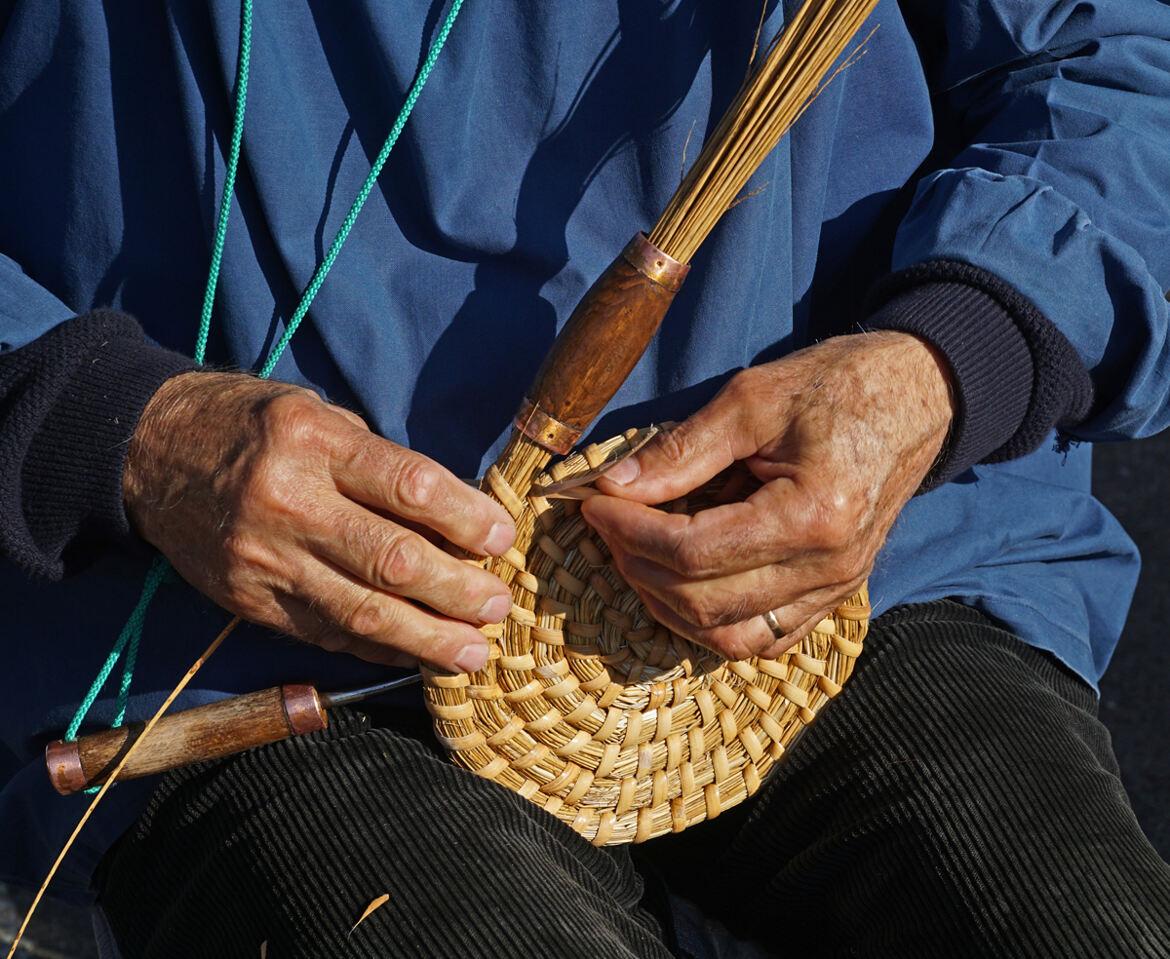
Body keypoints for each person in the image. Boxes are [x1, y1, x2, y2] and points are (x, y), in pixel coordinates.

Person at [2, 1, 1169, 956]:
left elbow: (1116, 49)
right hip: (230, 635)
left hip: (854, 566)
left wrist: (941, 363)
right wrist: (113, 425)